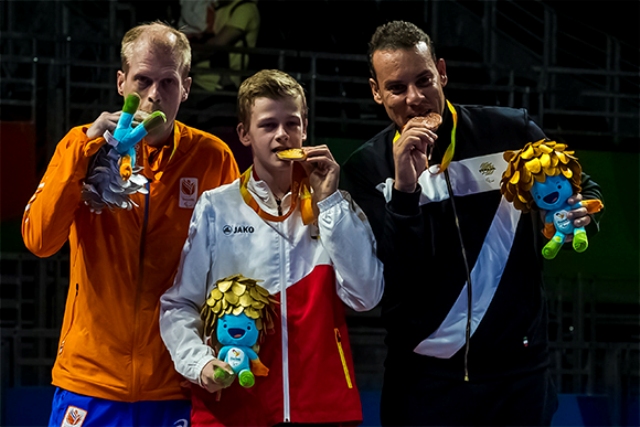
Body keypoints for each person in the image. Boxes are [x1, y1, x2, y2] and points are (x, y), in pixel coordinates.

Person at [340, 21, 604, 426]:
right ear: (377, 92)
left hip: (519, 377)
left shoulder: (510, 132)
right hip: (422, 385)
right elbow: (393, 274)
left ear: (442, 72)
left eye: (424, 79)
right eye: (396, 87)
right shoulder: (365, 168)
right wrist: (405, 190)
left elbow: (576, 185)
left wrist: (581, 210)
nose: (415, 98)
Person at [22, 21, 240, 426]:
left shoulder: (213, 158)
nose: (154, 94)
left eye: (168, 82)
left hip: (175, 383)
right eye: (142, 79)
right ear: (121, 82)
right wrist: (85, 150)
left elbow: (232, 269)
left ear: (187, 87)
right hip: (89, 381)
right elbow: (39, 240)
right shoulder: (79, 146)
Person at [159, 69, 384, 426]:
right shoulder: (216, 207)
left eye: (291, 123)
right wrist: (199, 363)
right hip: (233, 409)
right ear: (244, 134)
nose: (282, 135)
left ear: (305, 128)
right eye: (268, 125)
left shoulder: (334, 208)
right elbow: (178, 304)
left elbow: (366, 295)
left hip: (322, 410)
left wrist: (329, 205)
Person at [181, 0, 260, 92]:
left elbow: (217, 44)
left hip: (221, 87)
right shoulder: (216, 7)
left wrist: (189, 57)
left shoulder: (244, 9)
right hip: (198, 78)